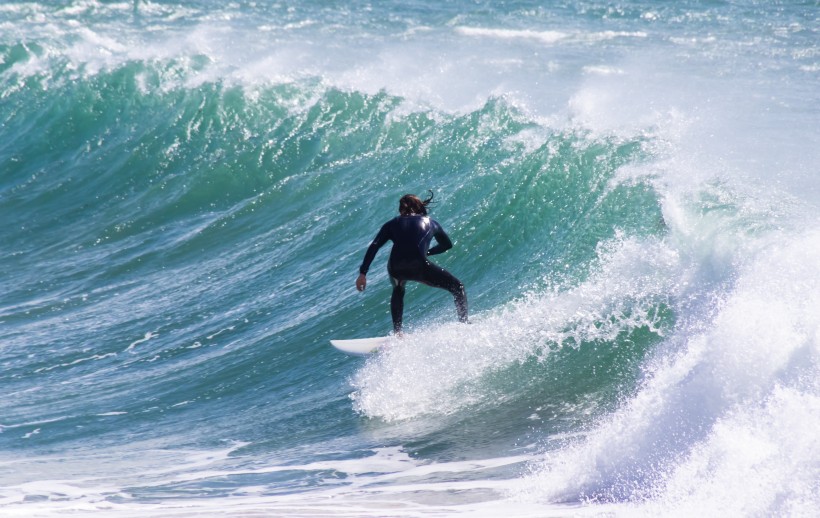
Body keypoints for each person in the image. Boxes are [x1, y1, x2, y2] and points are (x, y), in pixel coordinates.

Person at [356, 192, 468, 334]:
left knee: (398, 289)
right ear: (420, 207)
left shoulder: (392, 223)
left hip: (396, 267)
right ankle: (464, 323)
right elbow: (447, 245)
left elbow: (375, 245)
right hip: (419, 264)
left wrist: (363, 273)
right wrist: (427, 252)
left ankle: (398, 333)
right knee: (458, 287)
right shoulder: (431, 223)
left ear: (402, 209)